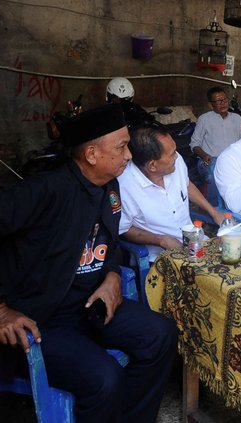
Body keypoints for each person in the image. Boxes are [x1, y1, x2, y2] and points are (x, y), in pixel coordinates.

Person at [0, 104, 178, 423]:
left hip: (91, 305)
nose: (128, 155)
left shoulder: (110, 186)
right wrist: (1, 309)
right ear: (92, 154)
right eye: (122, 147)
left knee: (160, 334)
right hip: (43, 317)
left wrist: (111, 276)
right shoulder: (43, 190)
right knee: (104, 378)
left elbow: (107, 241)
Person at [118, 125, 224, 262]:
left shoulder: (176, 161)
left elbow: (186, 185)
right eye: (172, 154)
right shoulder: (124, 186)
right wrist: (161, 240)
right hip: (160, 257)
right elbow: (124, 229)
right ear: (152, 166)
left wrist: (214, 212)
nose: (177, 156)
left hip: (196, 243)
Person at [189, 86, 241, 206]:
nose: (223, 103)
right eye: (218, 101)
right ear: (210, 104)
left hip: (232, 161)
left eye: (224, 100)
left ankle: (236, 206)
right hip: (209, 160)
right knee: (214, 175)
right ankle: (212, 208)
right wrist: (204, 155)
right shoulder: (204, 119)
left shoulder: (237, 119)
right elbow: (194, 143)